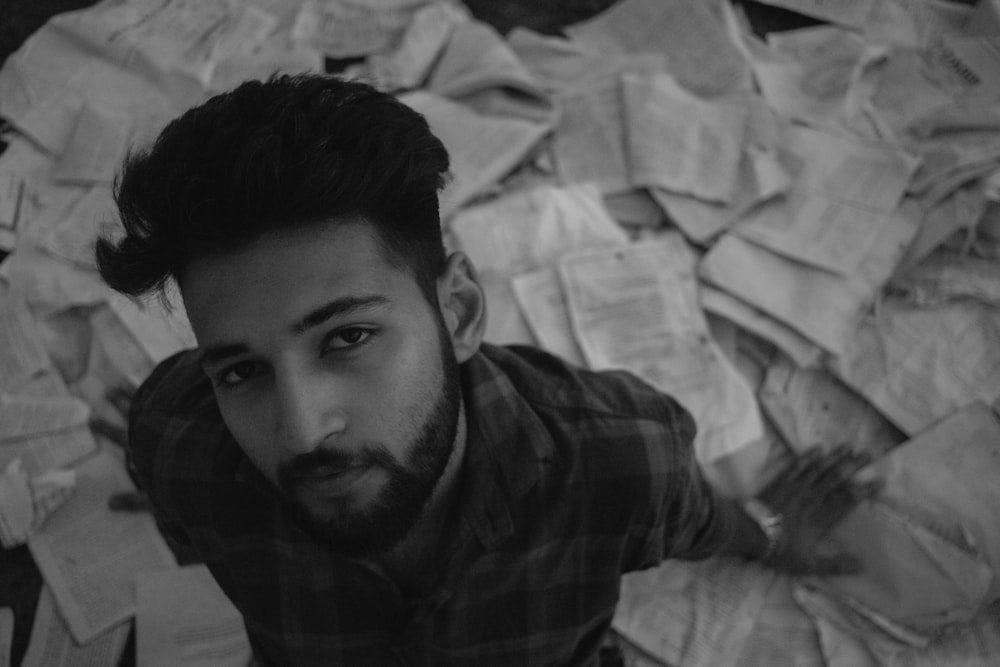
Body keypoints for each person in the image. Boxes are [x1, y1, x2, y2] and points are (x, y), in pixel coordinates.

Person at [95, 74, 879, 666]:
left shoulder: (618, 461)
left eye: (347, 337)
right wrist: (176, 464)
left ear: (461, 312)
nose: (301, 432)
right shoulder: (180, 443)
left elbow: (698, 519)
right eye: (240, 372)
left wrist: (773, 531)